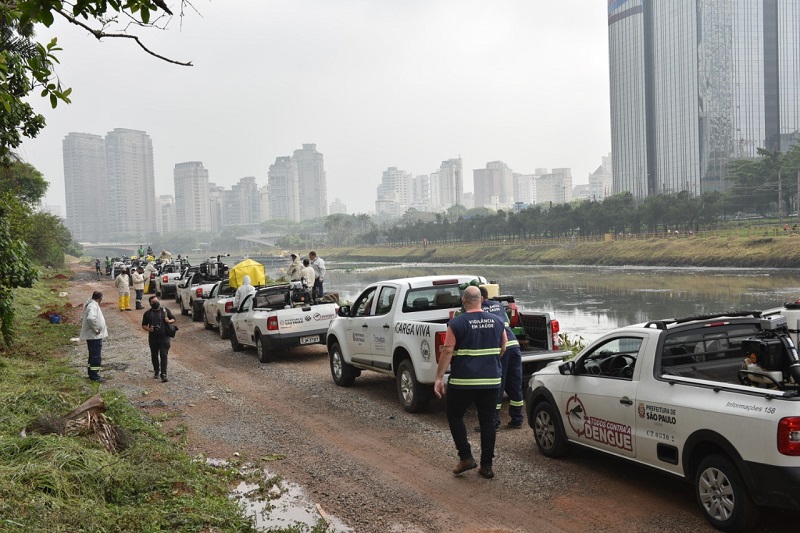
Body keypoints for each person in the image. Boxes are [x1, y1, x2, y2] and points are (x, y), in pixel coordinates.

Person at [434, 286, 507, 479]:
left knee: (455, 415)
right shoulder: (498, 321)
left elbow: (448, 351)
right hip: (491, 381)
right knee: (488, 421)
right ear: (481, 300)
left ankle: (466, 457)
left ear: (464, 302)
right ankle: (487, 466)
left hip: (463, 382)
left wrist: (439, 377)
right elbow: (503, 346)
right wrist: (490, 363)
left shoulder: (457, 323)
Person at [480, 286, 524, 430]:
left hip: (502, 349)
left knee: (497, 385)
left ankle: (494, 422)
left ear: (479, 298)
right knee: (515, 384)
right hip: (514, 347)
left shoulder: (478, 310)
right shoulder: (498, 305)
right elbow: (508, 324)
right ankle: (517, 419)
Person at [141, 296, 176, 382]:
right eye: (153, 302)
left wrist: (169, 321)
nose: (156, 303)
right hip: (153, 338)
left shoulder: (165, 311)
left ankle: (163, 374)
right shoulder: (147, 314)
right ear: (150, 303)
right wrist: (149, 329)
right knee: (154, 356)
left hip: (164, 337)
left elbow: (174, 319)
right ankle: (156, 370)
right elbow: (144, 325)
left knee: (164, 355)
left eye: (156, 301)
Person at [79, 291, 108, 382]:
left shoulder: (91, 304)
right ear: (100, 298)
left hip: (93, 335)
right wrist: (95, 328)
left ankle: (92, 373)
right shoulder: (93, 306)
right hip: (94, 336)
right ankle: (94, 376)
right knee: (95, 356)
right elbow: (91, 318)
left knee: (93, 355)